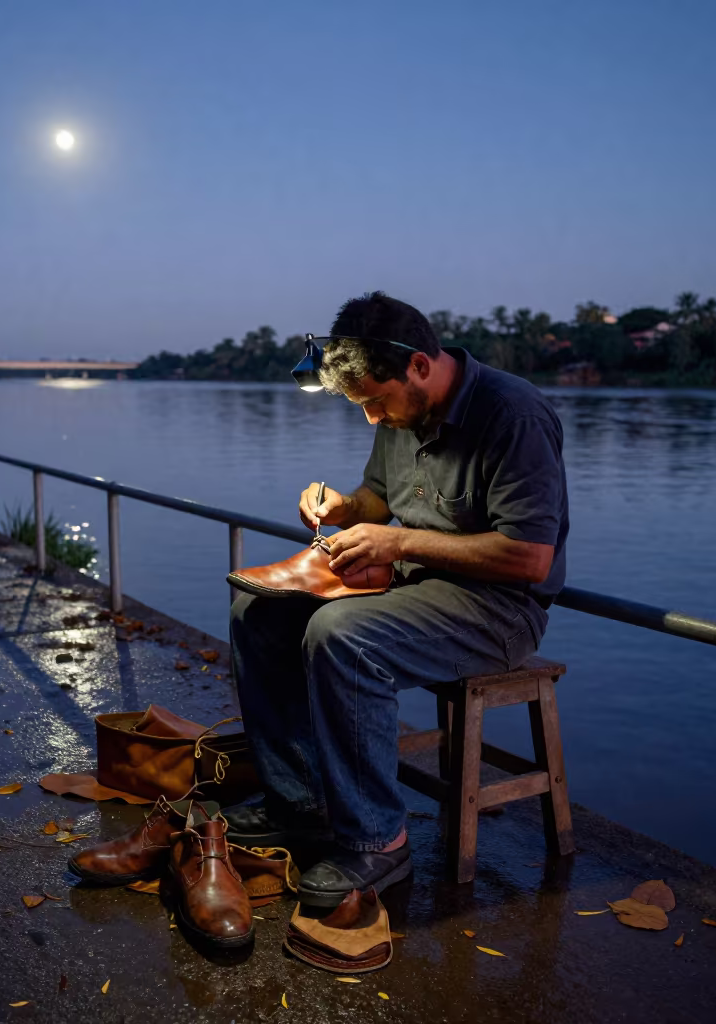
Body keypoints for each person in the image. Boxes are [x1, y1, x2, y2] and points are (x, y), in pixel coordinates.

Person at [224, 291, 569, 907]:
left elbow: (529, 557)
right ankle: (300, 804)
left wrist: (398, 540)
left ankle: (378, 842)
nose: (372, 419)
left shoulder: (513, 415)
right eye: (360, 406)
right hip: (413, 583)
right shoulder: (399, 412)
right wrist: (342, 506)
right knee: (260, 609)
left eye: (375, 402)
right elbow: (378, 499)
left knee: (341, 634)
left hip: (498, 609)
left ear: (417, 366)